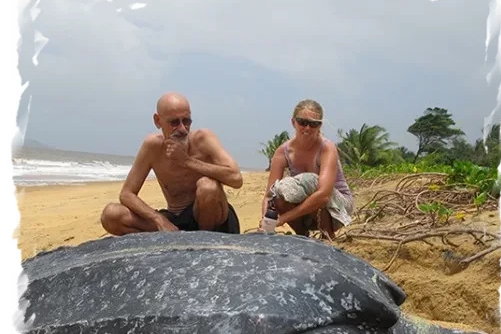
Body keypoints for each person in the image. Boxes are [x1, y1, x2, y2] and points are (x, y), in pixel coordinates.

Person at [101, 93, 243, 235]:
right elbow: (127, 194)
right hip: (175, 220)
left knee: (208, 187)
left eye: (186, 121)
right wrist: (158, 219)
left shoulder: (203, 139)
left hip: (212, 219)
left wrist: (187, 161)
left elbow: (236, 179)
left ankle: (204, 241)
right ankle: (178, 237)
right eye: (174, 122)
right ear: (158, 121)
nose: (182, 129)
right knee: (111, 214)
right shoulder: (153, 146)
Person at [260, 99, 353, 239]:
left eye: (313, 124)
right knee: (277, 193)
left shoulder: (326, 148)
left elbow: (323, 195)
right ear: (293, 122)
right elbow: (269, 195)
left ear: (319, 126)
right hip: (307, 210)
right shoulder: (283, 152)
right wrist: (266, 221)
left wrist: (282, 219)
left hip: (339, 209)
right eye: (302, 122)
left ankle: (328, 236)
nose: (308, 128)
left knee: (311, 181)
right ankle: (302, 235)